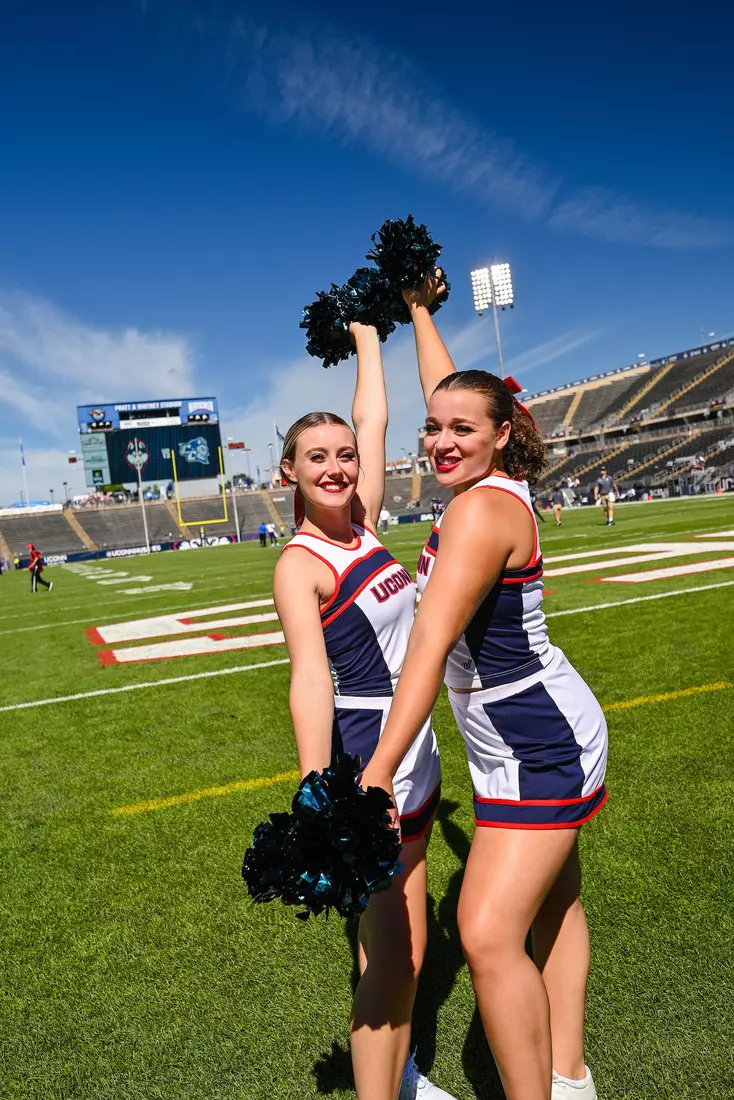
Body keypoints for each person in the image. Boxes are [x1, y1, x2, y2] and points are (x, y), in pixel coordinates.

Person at [362, 273, 607, 1100]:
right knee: (554, 903)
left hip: (538, 741)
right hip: (528, 730)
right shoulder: (492, 487)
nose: (438, 439)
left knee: (485, 928)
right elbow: (457, 390)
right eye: (432, 427)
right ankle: (571, 1077)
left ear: (503, 435)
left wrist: (374, 772)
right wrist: (421, 313)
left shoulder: (477, 513)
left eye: (460, 429)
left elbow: (427, 652)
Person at [273, 321, 450, 1100]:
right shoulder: (300, 563)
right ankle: (384, 1083)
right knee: (395, 950)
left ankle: (401, 1072)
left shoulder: (368, 526)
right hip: (368, 761)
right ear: (289, 472)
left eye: (345, 455)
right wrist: (320, 792)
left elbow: (372, 416)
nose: (339, 467)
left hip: (417, 747)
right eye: (318, 457)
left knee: (395, 947)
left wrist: (370, 337)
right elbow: (309, 677)